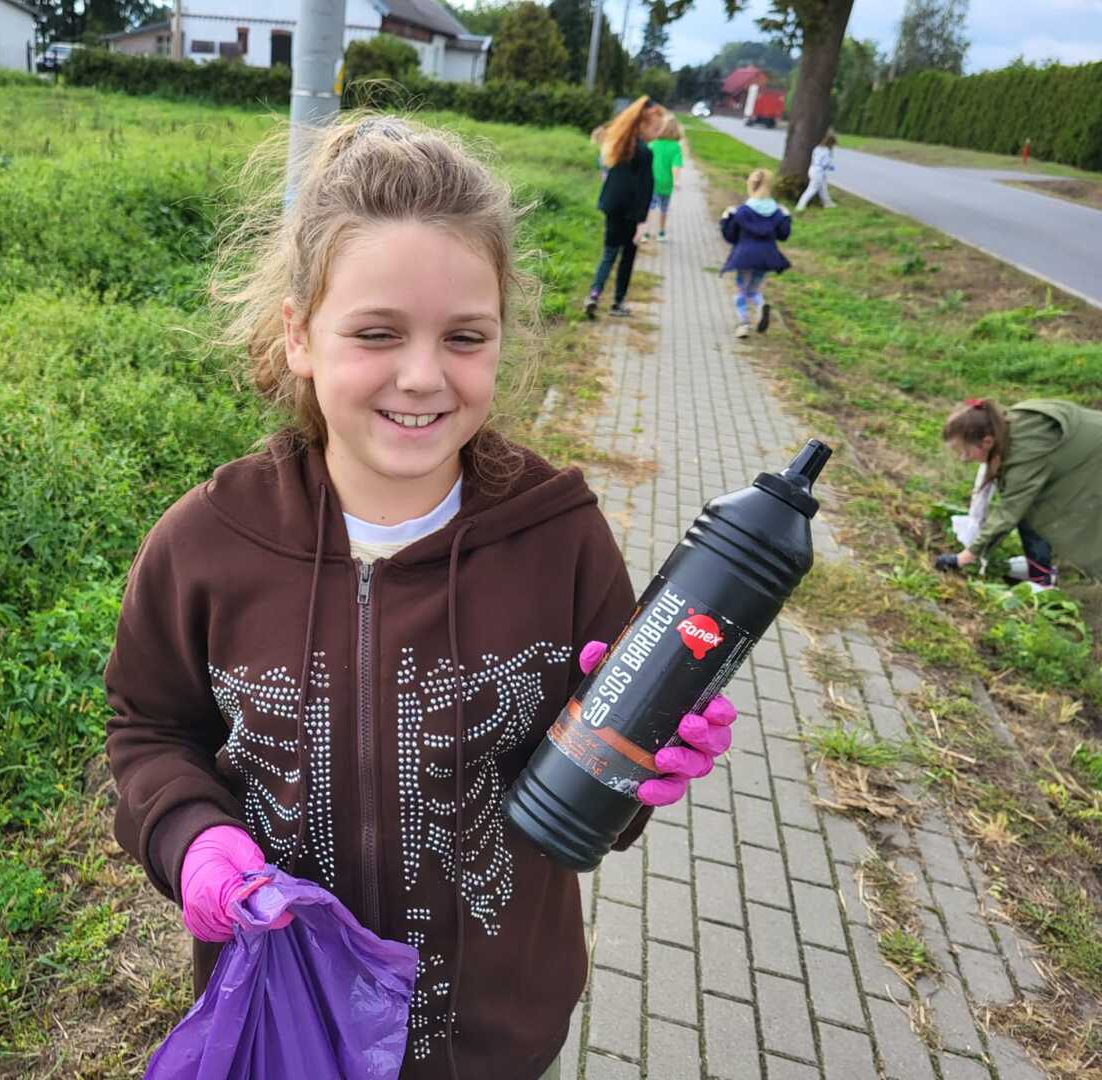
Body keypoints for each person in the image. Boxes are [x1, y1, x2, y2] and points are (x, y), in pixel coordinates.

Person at [104, 115, 736, 1080]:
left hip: (495, 1038)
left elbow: (599, 795)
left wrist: (642, 761)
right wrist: (192, 840)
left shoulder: (561, 541)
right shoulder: (204, 544)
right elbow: (148, 727)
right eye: (376, 332)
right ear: (297, 334)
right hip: (287, 1022)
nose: (423, 376)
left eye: (465, 337)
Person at [934, 398, 1102, 587]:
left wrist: (965, 557)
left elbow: (1011, 509)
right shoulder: (1004, 426)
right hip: (1084, 452)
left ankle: (1042, 578)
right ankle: (1042, 566)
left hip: (1094, 463)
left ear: (986, 442)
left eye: (965, 452)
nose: (963, 459)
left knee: (1034, 510)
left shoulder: (1025, 451)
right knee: (1035, 503)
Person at [584, 96, 663, 320]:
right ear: (642, 125)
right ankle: (618, 302)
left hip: (612, 208)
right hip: (631, 214)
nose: (657, 133)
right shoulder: (645, 153)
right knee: (627, 257)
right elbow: (645, 189)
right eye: (655, 128)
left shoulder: (619, 145)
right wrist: (643, 222)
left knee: (608, 254)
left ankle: (594, 294)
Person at [720, 168, 792, 339]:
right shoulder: (777, 212)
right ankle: (761, 307)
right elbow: (783, 235)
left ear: (751, 185)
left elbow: (730, 236)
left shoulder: (742, 211)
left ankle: (743, 324)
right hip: (767, 256)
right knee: (753, 290)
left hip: (745, 256)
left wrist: (725, 219)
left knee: (741, 289)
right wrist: (787, 218)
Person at [641, 112, 684, 243]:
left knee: (650, 208)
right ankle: (661, 233)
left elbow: (645, 161)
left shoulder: (653, 144)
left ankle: (646, 233)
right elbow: (676, 166)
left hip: (652, 182)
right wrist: (676, 181)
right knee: (664, 209)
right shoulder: (676, 147)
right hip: (667, 184)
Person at [795, 129, 838, 212]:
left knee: (823, 188)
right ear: (831, 143)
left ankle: (828, 203)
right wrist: (830, 167)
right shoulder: (827, 151)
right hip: (819, 171)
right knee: (812, 189)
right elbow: (826, 163)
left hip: (812, 169)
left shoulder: (817, 148)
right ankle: (800, 206)